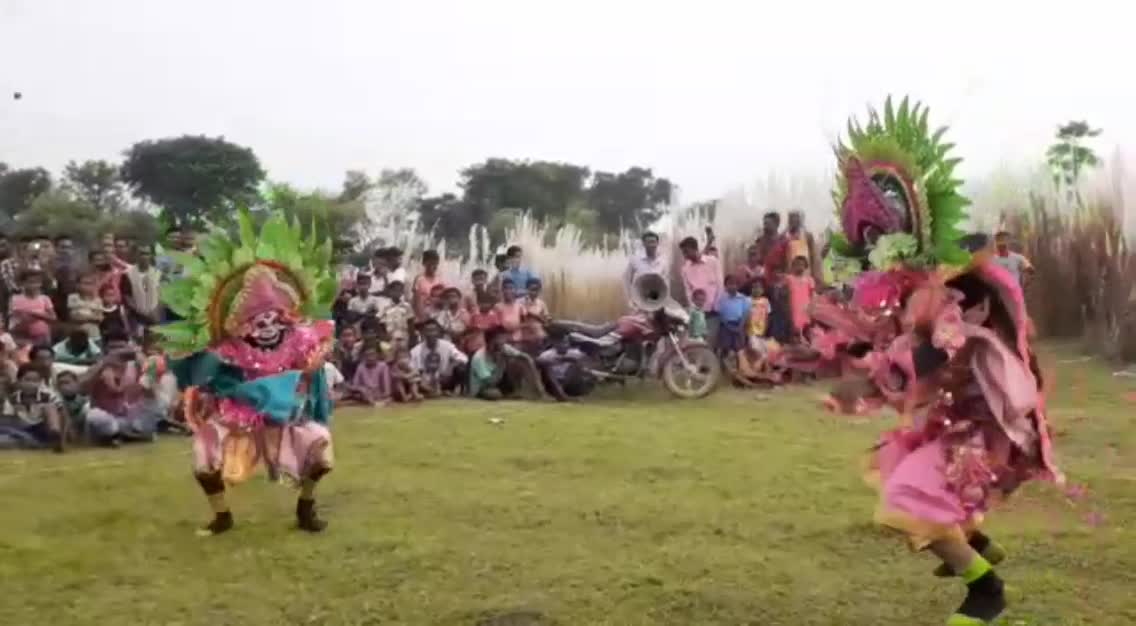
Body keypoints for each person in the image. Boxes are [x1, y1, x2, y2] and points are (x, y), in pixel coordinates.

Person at [162, 212, 337, 536]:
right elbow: (204, 374)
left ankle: (305, 507)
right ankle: (222, 515)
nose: (268, 328)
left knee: (322, 452)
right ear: (242, 325)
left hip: (287, 417)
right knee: (203, 460)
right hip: (239, 417)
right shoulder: (228, 348)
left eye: (274, 319)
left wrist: (311, 369)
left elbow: (320, 346)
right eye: (259, 322)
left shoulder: (299, 337)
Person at [468, 326, 551, 401]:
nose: (504, 341)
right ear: (491, 341)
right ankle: (509, 393)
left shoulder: (504, 347)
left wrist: (535, 381)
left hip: (498, 382)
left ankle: (536, 392)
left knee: (519, 361)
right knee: (494, 394)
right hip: (483, 387)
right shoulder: (479, 357)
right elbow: (489, 381)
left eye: (504, 339)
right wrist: (501, 363)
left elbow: (524, 357)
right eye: (500, 339)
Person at [0, 364, 65, 452]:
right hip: (22, 432)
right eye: (27, 380)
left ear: (40, 382)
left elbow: (62, 415)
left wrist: (62, 434)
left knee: (49, 407)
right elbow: (9, 422)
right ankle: (33, 444)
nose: (31, 384)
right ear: (19, 381)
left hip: (43, 429)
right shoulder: (12, 399)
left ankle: (54, 436)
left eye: (35, 381)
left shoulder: (49, 395)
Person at [56, 369, 120, 446]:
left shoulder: (85, 395)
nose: (64, 386)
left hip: (90, 428)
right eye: (61, 383)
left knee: (92, 414)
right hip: (70, 430)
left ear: (76, 383)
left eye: (67, 382)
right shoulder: (56, 399)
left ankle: (112, 438)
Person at [679, 236, 722, 343]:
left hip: (713, 311)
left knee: (712, 342)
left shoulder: (713, 262)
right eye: (683, 253)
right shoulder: (685, 269)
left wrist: (717, 306)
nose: (685, 255)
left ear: (694, 248)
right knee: (699, 343)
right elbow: (688, 291)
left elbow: (720, 284)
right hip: (697, 313)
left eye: (686, 252)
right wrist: (693, 309)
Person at [409, 319, 469, 395]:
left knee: (461, 368)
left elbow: (464, 359)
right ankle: (430, 391)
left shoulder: (447, 346)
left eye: (433, 330)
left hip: (444, 380)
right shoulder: (416, 351)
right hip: (424, 383)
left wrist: (452, 365)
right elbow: (412, 370)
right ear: (423, 332)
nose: (431, 334)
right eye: (428, 331)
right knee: (414, 379)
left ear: (438, 332)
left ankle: (457, 392)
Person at [536, 330, 593, 400]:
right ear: (555, 343)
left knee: (575, 364)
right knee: (546, 366)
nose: (564, 345)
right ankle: (561, 394)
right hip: (552, 383)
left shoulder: (575, 353)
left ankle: (562, 394)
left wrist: (574, 361)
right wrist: (560, 359)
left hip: (569, 382)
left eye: (566, 342)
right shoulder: (547, 355)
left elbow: (586, 365)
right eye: (561, 342)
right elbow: (539, 364)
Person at [120, 244, 162, 333]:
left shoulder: (158, 274)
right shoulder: (127, 274)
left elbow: (163, 296)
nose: (144, 257)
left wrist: (156, 312)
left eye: (147, 254)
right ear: (136, 255)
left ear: (151, 255)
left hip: (155, 318)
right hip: (135, 319)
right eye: (141, 253)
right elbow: (126, 296)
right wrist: (140, 312)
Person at [9, 269, 56, 347]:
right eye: (30, 282)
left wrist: (36, 314)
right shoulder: (15, 299)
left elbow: (53, 317)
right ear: (22, 283)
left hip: (42, 337)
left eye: (37, 282)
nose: (34, 285)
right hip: (22, 338)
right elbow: (13, 320)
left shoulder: (44, 299)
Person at [623, 230, 668, 306]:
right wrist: (630, 299)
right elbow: (626, 279)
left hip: (658, 300)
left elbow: (666, 281)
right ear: (644, 244)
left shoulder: (663, 261)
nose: (652, 245)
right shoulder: (635, 260)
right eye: (649, 242)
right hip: (640, 300)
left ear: (657, 243)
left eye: (654, 242)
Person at [715, 274, 751, 355]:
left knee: (739, 348)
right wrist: (728, 326)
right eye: (729, 284)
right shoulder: (722, 299)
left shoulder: (743, 298)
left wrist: (740, 326)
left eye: (734, 284)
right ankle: (725, 365)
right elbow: (721, 314)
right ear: (725, 286)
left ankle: (740, 365)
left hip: (739, 325)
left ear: (738, 286)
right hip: (726, 326)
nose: (732, 286)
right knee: (725, 347)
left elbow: (745, 313)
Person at [785, 210, 822, 283]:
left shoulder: (807, 236)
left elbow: (813, 257)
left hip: (805, 272)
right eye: (791, 218)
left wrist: (816, 275)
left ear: (800, 221)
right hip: (790, 272)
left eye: (795, 218)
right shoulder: (785, 237)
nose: (793, 221)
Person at [785, 256, 816, 340]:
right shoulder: (788, 279)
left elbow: (813, 297)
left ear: (806, 266)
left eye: (802, 264)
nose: (800, 267)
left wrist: (812, 311)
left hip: (806, 311)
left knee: (807, 335)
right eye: (797, 264)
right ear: (793, 266)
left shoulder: (810, 280)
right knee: (794, 335)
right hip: (793, 311)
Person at [68, 273, 104, 342]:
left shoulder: (98, 300)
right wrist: (92, 316)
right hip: (78, 336)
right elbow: (74, 317)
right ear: (78, 285)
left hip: (95, 336)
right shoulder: (73, 298)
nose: (87, 286)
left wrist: (83, 315)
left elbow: (100, 318)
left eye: (90, 283)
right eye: (84, 283)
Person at [411, 250, 445, 322]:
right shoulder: (419, 279)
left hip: (437, 316)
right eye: (430, 263)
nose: (433, 266)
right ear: (424, 264)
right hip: (422, 316)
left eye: (435, 263)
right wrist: (423, 319)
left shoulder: (440, 280)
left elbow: (443, 301)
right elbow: (416, 302)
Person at [521, 277, 550, 347]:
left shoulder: (541, 303)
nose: (534, 292)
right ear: (526, 289)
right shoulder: (519, 302)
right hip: (524, 338)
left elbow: (547, 318)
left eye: (537, 290)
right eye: (532, 289)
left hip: (540, 337)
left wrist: (547, 320)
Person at [494, 278, 525, 342]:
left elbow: (524, 321)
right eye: (506, 288)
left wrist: (516, 326)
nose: (508, 291)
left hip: (518, 339)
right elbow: (495, 325)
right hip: (503, 340)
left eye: (511, 288)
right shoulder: (497, 306)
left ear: (515, 290)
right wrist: (505, 328)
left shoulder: (520, 306)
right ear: (502, 290)